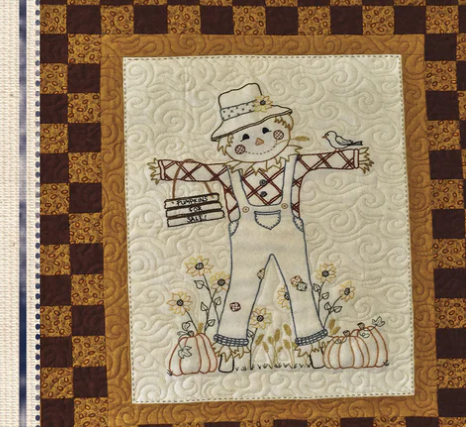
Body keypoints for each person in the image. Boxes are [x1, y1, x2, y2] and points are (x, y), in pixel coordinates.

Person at [150, 82, 373, 368]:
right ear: (228, 144)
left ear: (284, 127)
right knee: (241, 290)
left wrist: (355, 158)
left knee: (300, 286)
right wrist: (165, 170)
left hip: (288, 234)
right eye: (245, 136)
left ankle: (311, 346)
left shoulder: (293, 165)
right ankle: (231, 350)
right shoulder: (229, 173)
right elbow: (201, 170)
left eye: (267, 130)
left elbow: (323, 161)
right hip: (247, 238)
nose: (258, 141)